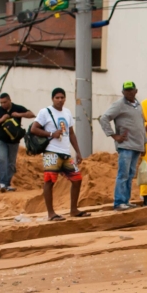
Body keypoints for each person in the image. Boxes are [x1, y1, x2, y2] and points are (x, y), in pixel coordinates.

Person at [29, 88, 90, 221]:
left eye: (62, 97)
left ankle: (73, 209)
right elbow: (34, 129)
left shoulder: (67, 112)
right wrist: (51, 134)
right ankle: (51, 213)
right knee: (49, 181)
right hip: (51, 152)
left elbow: (71, 133)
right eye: (57, 97)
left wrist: (78, 152)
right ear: (52, 99)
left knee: (77, 178)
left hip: (65, 153)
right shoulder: (45, 112)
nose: (60, 100)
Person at [99, 81, 147, 211]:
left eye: (131, 90)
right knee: (123, 174)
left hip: (137, 146)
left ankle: (125, 201)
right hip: (126, 145)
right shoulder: (119, 105)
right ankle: (119, 202)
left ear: (136, 91)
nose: (129, 92)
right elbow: (104, 118)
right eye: (126, 90)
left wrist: (144, 144)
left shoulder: (138, 105)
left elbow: (141, 126)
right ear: (122, 92)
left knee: (131, 174)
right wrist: (114, 135)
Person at [0, 93, 35, 192]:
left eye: (5, 102)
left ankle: (7, 183)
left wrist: (19, 115)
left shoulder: (17, 108)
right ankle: (2, 183)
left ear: (10, 100)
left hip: (14, 141)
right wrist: (1, 119)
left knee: (11, 163)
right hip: (1, 140)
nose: (3, 104)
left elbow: (32, 114)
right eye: (1, 103)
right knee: (2, 160)